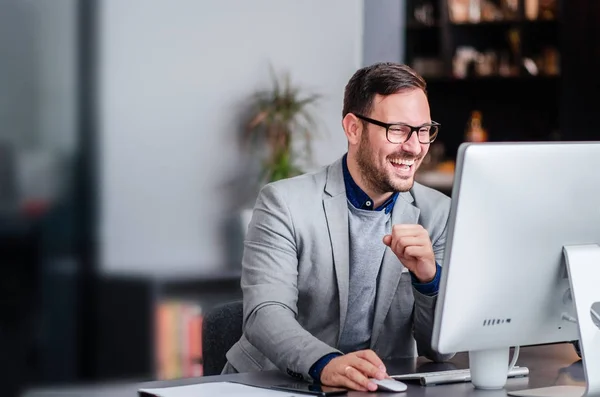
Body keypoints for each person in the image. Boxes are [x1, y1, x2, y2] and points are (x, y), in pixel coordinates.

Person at [222, 62, 454, 392]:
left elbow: (440, 349)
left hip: (374, 388)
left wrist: (429, 280)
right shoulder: (283, 203)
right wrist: (326, 364)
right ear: (354, 129)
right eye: (398, 130)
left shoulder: (437, 213)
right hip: (273, 383)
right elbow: (265, 314)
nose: (415, 147)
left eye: (423, 130)